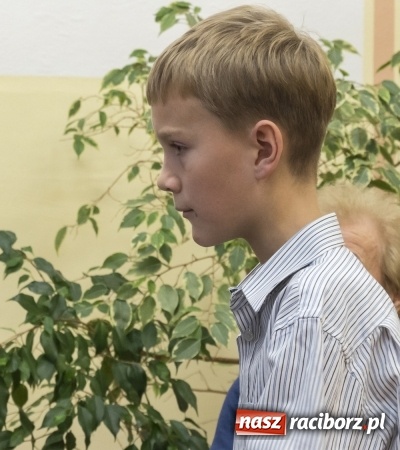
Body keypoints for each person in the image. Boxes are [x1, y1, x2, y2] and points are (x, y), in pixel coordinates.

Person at [147, 5, 400, 449]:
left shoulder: (313, 310)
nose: (165, 177)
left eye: (179, 147)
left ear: (264, 149)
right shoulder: (300, 300)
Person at [210, 183, 400, 449]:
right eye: (314, 268)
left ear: (393, 298)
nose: (321, 285)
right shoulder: (254, 387)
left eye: (349, 269)